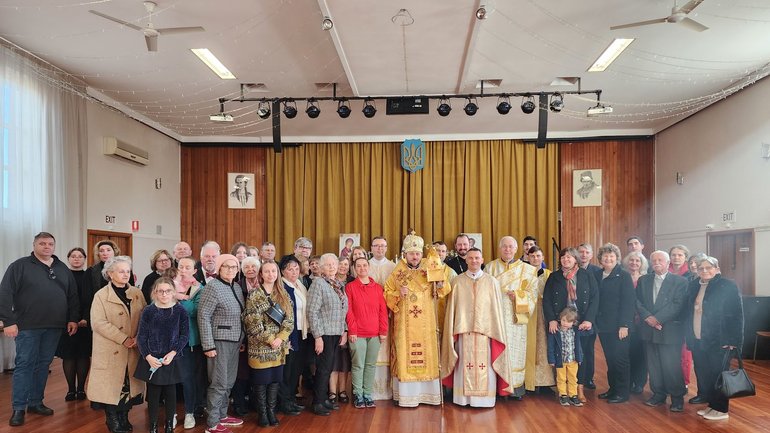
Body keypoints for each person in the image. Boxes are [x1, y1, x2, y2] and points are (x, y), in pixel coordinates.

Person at [0, 232, 79, 427]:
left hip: (54, 326)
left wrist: (73, 319)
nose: (46, 246)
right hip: (27, 327)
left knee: (43, 365)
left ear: (54, 246)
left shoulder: (62, 268)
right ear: (34, 245)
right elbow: (5, 292)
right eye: (42, 243)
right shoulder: (20, 266)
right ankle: (19, 408)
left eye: (50, 243)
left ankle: (35, 402)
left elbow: (73, 296)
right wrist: (8, 321)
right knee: (24, 365)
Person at [384, 232, 451, 407]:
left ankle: (428, 394)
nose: (415, 256)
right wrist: (398, 293)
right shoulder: (398, 272)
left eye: (418, 253)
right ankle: (407, 397)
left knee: (428, 355)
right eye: (411, 253)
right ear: (405, 254)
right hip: (403, 326)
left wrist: (441, 285)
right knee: (405, 355)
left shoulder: (430, 268)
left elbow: (444, 291)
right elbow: (386, 294)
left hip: (427, 324)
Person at [441, 248, 514, 407]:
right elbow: (452, 309)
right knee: (463, 363)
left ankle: (484, 400)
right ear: (466, 260)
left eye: (477, 258)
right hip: (463, 331)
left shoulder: (492, 282)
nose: (474, 261)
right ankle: (462, 399)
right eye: (471, 258)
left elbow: (496, 311)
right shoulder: (457, 281)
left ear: (482, 260)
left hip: (485, 332)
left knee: (485, 365)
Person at [88, 256, 147, 433]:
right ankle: (112, 418)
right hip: (111, 348)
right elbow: (98, 323)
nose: (125, 274)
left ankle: (124, 416)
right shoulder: (101, 295)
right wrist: (123, 338)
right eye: (121, 271)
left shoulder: (137, 293)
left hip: (132, 348)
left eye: (127, 271)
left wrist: (138, 337)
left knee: (129, 384)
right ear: (110, 274)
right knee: (112, 386)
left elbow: (145, 316)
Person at [685, 256, 744, 421]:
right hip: (698, 339)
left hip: (720, 341)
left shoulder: (728, 285)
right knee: (705, 375)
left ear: (717, 269)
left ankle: (721, 409)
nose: (704, 271)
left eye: (708, 267)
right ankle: (712, 406)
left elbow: (737, 316)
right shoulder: (694, 285)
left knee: (718, 376)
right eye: (701, 268)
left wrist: (734, 341)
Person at [543, 247, 599, 403]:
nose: (565, 260)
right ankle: (563, 391)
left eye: (569, 257)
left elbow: (595, 298)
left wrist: (589, 319)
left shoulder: (586, 275)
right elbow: (546, 300)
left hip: (581, 323)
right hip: (561, 323)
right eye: (563, 257)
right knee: (562, 356)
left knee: (581, 356)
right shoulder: (554, 277)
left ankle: (578, 389)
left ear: (575, 259)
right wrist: (552, 320)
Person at [242, 261, 294, 427]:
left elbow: (289, 320)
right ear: (261, 274)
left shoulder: (283, 294)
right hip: (260, 347)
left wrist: (280, 338)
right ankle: (262, 413)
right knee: (261, 381)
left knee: (274, 381)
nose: (271, 274)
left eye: (274, 271)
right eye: (267, 271)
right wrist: (271, 340)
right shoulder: (254, 295)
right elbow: (253, 323)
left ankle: (271, 411)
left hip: (279, 347)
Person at [486, 236, 538, 399]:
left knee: (515, 354)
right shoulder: (490, 268)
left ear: (516, 249)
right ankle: (496, 387)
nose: (507, 249)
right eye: (504, 247)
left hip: (516, 321)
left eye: (511, 247)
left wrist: (518, 297)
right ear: (500, 248)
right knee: (495, 351)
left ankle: (515, 389)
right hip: (495, 318)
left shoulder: (528, 270)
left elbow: (533, 294)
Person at [197, 254, 245, 433]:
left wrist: (242, 338)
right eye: (227, 267)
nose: (231, 270)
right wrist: (208, 345)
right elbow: (203, 317)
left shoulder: (237, 287)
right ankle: (212, 423)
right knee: (219, 382)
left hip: (234, 341)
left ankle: (223, 415)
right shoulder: (213, 287)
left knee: (229, 381)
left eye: (234, 267)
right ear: (218, 268)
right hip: (219, 343)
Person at [135, 277, 189, 433]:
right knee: (153, 393)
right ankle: (152, 425)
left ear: (173, 292)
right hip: (152, 358)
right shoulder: (149, 311)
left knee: (170, 393)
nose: (164, 294)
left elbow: (184, 335)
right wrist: (148, 357)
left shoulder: (180, 310)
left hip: (171, 358)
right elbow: (142, 336)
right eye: (161, 291)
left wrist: (173, 353)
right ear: (155, 293)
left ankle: (169, 425)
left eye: (168, 291)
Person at [636, 251, 688, 412]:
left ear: (668, 263)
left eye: (660, 260)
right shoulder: (643, 280)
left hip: (669, 329)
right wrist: (648, 318)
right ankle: (658, 394)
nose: (657, 262)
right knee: (653, 365)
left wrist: (657, 319)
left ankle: (677, 398)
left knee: (671, 365)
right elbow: (637, 301)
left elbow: (677, 304)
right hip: (648, 330)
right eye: (654, 260)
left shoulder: (680, 281)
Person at [306, 253, 349, 415]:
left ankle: (323, 399)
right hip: (323, 333)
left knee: (328, 367)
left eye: (334, 264)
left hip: (336, 332)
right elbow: (312, 311)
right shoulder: (318, 284)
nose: (332, 267)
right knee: (323, 368)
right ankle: (317, 402)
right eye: (328, 264)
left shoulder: (337, 284)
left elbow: (343, 310)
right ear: (322, 267)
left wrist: (344, 330)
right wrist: (317, 337)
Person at [594, 243, 635, 404]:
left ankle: (623, 392)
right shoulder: (597, 275)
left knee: (620, 359)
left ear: (616, 258)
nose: (608, 258)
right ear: (600, 259)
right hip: (604, 325)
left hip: (620, 327)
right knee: (610, 359)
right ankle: (613, 389)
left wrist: (624, 325)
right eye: (605, 256)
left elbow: (628, 302)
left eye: (611, 256)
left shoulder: (624, 275)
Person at [345, 257, 387, 408]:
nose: (362, 268)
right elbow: (348, 311)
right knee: (358, 365)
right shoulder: (350, 287)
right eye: (359, 266)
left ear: (369, 267)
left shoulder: (378, 288)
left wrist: (383, 331)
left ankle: (368, 394)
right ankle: (358, 394)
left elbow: (383, 311)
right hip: (358, 334)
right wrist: (352, 330)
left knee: (370, 365)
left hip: (375, 333)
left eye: (364, 265)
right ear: (355, 269)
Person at [174, 257, 207, 429]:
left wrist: (176, 299)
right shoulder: (167, 284)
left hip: (190, 341)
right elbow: (155, 303)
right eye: (181, 266)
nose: (184, 269)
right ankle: (172, 413)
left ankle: (189, 412)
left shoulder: (199, 289)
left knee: (189, 379)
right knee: (170, 379)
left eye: (188, 267)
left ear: (195, 271)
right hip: (168, 341)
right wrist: (176, 296)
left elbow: (195, 311)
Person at [56, 247, 92, 403]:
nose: (76, 259)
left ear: (84, 259)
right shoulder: (62, 275)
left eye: (80, 256)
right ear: (68, 258)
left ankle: (81, 389)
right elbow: (59, 298)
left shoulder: (89, 276)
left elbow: (90, 299)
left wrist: (85, 318)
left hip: (85, 322)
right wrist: (70, 318)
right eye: (73, 256)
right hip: (66, 321)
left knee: (83, 355)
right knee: (69, 355)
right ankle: (71, 389)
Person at [277, 256, 309, 416]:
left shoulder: (300, 285)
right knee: (286, 370)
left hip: (300, 332)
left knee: (295, 369)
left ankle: (290, 399)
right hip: (288, 334)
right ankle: (284, 402)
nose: (294, 272)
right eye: (290, 269)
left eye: (296, 268)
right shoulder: (282, 287)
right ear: (282, 271)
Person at [367, 236, 396, 400]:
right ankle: (369, 389)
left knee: (385, 349)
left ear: (386, 248)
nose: (380, 249)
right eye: (376, 246)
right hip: (369, 317)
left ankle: (386, 389)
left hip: (387, 315)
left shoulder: (393, 267)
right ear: (371, 248)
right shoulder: (365, 266)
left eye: (383, 246)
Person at [526, 246, 555, 392]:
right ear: (527, 258)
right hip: (528, 313)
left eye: (538, 256)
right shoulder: (523, 274)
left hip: (544, 313)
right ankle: (528, 381)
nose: (535, 259)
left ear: (542, 258)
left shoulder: (549, 274)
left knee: (544, 346)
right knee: (529, 346)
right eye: (532, 256)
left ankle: (545, 383)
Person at [622, 251, 649, 396]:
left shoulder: (646, 278)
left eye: (637, 261)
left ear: (642, 263)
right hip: (626, 321)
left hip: (642, 322)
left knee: (641, 353)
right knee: (628, 352)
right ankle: (629, 381)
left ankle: (639, 383)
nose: (634, 263)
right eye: (631, 260)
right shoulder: (622, 277)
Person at [668, 245, 694, 389]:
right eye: (673, 255)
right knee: (669, 353)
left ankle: (683, 382)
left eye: (680, 255)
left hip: (683, 319)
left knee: (684, 353)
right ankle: (669, 380)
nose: (676, 257)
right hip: (667, 319)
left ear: (685, 257)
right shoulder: (664, 272)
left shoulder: (690, 275)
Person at [547, 306, 584, 407]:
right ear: (560, 318)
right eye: (563, 320)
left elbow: (578, 346)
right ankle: (563, 395)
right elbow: (550, 347)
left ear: (573, 322)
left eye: (568, 321)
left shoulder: (575, 331)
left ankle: (573, 395)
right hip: (561, 360)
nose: (565, 323)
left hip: (573, 360)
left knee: (573, 378)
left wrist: (579, 358)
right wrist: (551, 359)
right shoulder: (555, 331)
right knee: (561, 378)